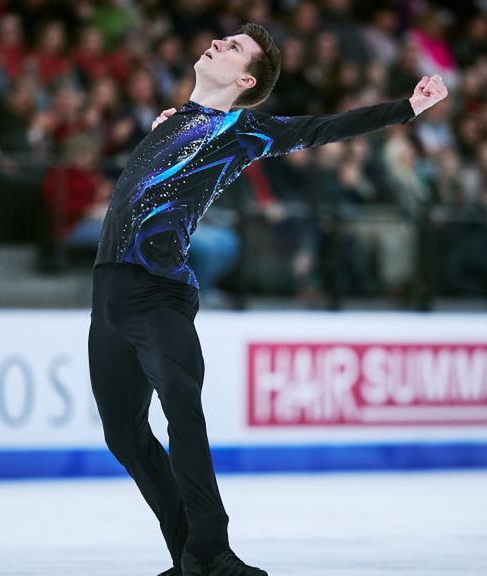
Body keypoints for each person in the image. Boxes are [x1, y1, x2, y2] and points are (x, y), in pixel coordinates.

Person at [87, 22, 447, 576]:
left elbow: (321, 128)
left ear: (246, 78)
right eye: (223, 38)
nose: (217, 42)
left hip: (159, 292)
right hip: (107, 293)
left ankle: (213, 550)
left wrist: (407, 108)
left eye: (233, 47)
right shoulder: (171, 121)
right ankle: (190, 554)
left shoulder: (241, 129)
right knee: (123, 434)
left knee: (181, 404)